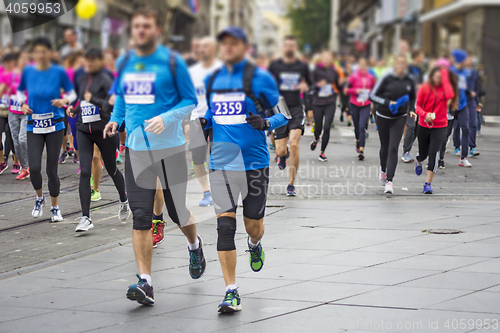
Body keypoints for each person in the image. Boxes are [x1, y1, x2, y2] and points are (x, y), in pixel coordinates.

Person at [103, 6, 206, 306]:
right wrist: (116, 119)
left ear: (157, 30)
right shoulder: (125, 61)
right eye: (136, 26)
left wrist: (169, 117)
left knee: (177, 213)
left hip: (170, 147)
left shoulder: (172, 62)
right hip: (137, 149)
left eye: (146, 26)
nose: (140, 31)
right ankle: (145, 281)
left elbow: (190, 100)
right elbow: (122, 97)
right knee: (141, 217)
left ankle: (194, 244)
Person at [201, 26, 288, 313]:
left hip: (254, 163)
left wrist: (266, 124)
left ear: (244, 46)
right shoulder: (213, 78)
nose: (227, 47)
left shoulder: (259, 77)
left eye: (233, 43)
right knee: (225, 226)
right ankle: (231, 290)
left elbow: (284, 114)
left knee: (254, 226)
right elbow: (213, 112)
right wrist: (205, 122)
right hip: (222, 163)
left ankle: (254, 243)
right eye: (223, 42)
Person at [67, 47, 130, 231]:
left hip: (104, 130)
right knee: (85, 171)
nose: (89, 64)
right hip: (83, 130)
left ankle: (124, 200)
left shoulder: (107, 79)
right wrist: (75, 109)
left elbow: (110, 106)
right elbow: (82, 101)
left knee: (111, 169)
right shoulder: (82, 78)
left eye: (92, 61)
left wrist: (92, 98)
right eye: (87, 61)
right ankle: (85, 217)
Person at [18, 37, 77, 221]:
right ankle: (39, 198)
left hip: (55, 124)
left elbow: (73, 93)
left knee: (52, 169)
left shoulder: (58, 71)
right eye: (37, 52)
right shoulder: (28, 71)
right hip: (33, 123)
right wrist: (22, 105)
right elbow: (20, 92)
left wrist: (64, 101)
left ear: (50, 53)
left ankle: (55, 207)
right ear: (33, 54)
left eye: (44, 52)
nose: (40, 55)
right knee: (34, 168)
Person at [268, 35, 310, 196]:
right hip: (279, 108)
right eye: (287, 45)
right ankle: (282, 155)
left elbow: (311, 84)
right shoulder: (275, 66)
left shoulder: (302, 66)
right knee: (280, 150)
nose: (289, 48)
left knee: (294, 144)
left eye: (292, 45)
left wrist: (306, 86)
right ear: (283, 47)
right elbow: (267, 84)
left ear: (295, 48)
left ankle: (291, 184)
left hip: (296, 108)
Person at [370, 54, 416, 194]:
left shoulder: (409, 80)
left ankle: (389, 181)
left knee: (393, 147)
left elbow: (413, 96)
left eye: (404, 63)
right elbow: (372, 96)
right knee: (384, 147)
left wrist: (412, 110)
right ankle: (383, 170)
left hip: (399, 117)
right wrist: (388, 103)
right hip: (383, 115)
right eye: (399, 63)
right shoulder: (386, 77)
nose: (401, 66)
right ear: (395, 64)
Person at [188, 37, 221, 206]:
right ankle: (206, 192)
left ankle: (217, 191)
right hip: (196, 119)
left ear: (214, 49)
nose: (203, 50)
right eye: (201, 47)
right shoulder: (192, 72)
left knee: (216, 157)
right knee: (198, 159)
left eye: (206, 46)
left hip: (218, 119)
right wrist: (186, 120)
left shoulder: (221, 69)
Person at [414, 66, 457, 194]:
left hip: (440, 126)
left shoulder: (445, 89)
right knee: (423, 153)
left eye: (441, 78)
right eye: (436, 77)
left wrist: (444, 76)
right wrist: (424, 115)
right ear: (431, 76)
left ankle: (427, 184)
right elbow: (417, 106)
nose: (438, 80)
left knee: (433, 153)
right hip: (423, 125)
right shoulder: (425, 88)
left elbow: (451, 95)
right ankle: (419, 160)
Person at [310, 50, 340, 162]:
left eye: (329, 58)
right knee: (318, 127)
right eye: (325, 58)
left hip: (330, 102)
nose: (327, 60)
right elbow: (310, 86)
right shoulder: (315, 71)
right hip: (317, 103)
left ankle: (322, 152)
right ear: (321, 59)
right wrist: (318, 85)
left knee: (327, 127)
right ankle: (316, 138)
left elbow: (337, 86)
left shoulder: (333, 71)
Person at [5, 51, 30, 180]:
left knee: (23, 140)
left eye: (27, 59)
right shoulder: (11, 74)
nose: (24, 61)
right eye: (22, 58)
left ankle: (30, 165)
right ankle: (24, 168)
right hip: (12, 112)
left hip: (26, 112)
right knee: (15, 141)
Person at [345, 57, 376, 160]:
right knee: (357, 127)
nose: (362, 66)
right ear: (358, 65)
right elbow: (346, 90)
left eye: (364, 64)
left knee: (362, 126)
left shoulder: (370, 77)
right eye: (361, 64)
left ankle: (361, 150)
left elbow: (374, 89)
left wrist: (371, 95)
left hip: (366, 104)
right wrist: (355, 91)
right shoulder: (353, 77)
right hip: (354, 104)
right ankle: (358, 140)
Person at [450, 49, 472, 167]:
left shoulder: (465, 72)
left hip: (463, 105)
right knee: (446, 131)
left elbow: (464, 88)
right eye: (465, 59)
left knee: (466, 129)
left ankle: (463, 157)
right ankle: (439, 156)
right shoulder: (450, 71)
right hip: (451, 105)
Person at [402, 49, 425, 163]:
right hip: (409, 102)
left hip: (419, 102)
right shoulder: (408, 69)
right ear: (416, 57)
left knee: (417, 128)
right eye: (422, 56)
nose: (423, 58)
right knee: (411, 126)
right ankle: (405, 152)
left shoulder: (420, 70)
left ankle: (408, 148)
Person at [460, 53, 481, 157]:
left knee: (473, 123)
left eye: (471, 59)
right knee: (458, 125)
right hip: (461, 100)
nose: (470, 61)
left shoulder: (474, 72)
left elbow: (476, 88)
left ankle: (472, 147)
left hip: (471, 100)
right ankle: (456, 146)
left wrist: (477, 102)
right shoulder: (460, 71)